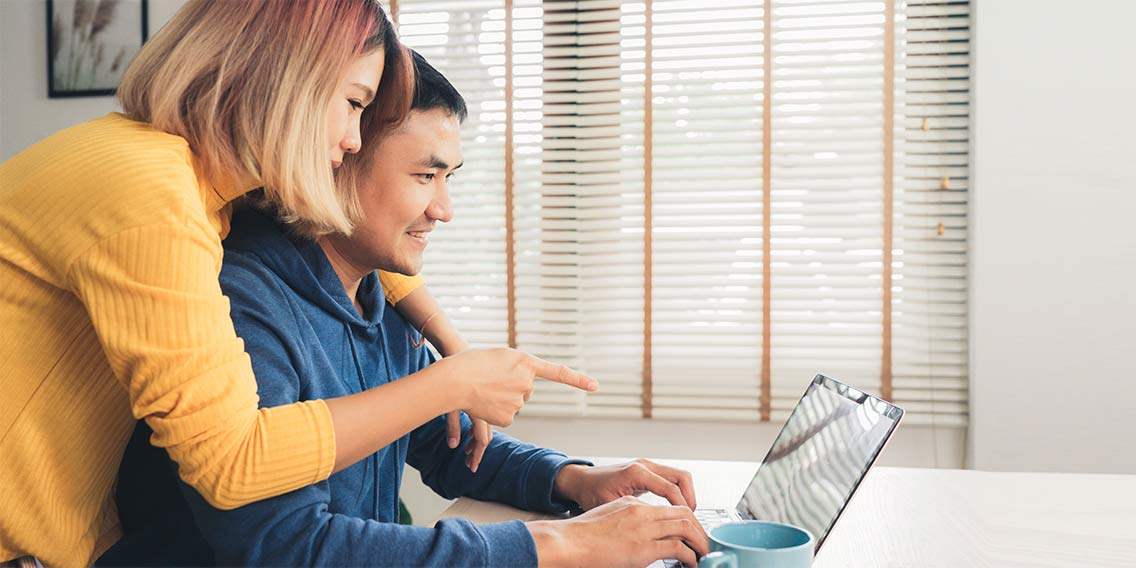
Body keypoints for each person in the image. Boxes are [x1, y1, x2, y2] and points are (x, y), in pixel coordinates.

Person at [0, 2, 590, 566]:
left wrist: (438, 331)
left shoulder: (201, 199)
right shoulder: (156, 199)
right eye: (353, 102)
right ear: (284, 79)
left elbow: (347, 255)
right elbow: (232, 464)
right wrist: (451, 382)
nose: (352, 140)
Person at [100, 51, 711, 567]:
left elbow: (434, 438)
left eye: (450, 179)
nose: (444, 208)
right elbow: (288, 546)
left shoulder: (378, 293)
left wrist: (574, 480)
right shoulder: (238, 303)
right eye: (425, 176)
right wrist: (557, 544)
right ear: (337, 160)